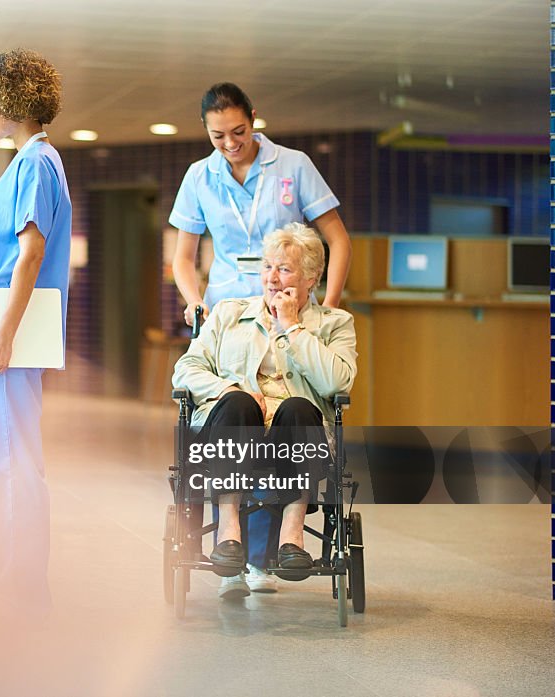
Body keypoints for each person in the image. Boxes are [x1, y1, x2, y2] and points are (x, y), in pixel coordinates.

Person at [169, 82, 353, 597]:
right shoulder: (199, 176)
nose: (229, 143)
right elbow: (184, 257)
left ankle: (264, 556)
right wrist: (194, 300)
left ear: (255, 119)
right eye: (216, 136)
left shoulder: (292, 166)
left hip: (293, 306)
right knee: (237, 409)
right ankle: (239, 550)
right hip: (230, 311)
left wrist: (326, 307)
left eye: (239, 132)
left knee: (290, 409)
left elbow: (336, 238)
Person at [0, 48, 72, 613]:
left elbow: (29, 254)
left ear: (11, 101)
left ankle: (18, 587)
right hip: (0, 341)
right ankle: (14, 583)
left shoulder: (34, 163)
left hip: (8, 343)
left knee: (8, 459)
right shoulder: (34, 162)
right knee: (3, 455)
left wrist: (4, 333)